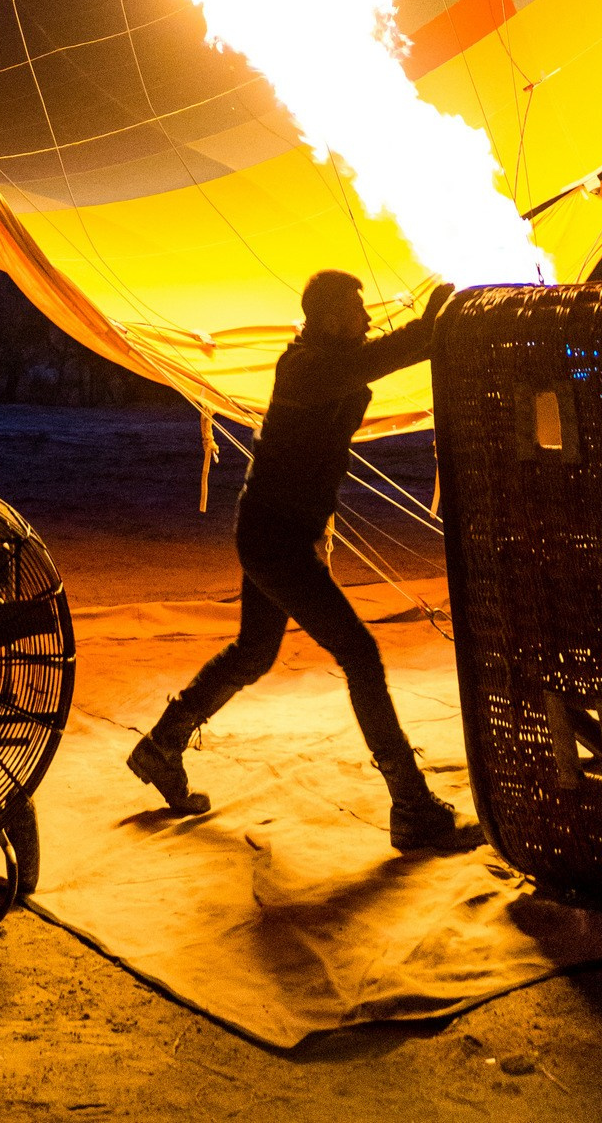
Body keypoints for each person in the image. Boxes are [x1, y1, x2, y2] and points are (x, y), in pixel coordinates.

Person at [126, 268, 478, 854]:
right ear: (327, 316)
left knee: (255, 653)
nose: (367, 318)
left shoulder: (333, 358)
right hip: (275, 539)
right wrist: (439, 312)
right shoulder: (307, 366)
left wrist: (436, 320)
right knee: (360, 652)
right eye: (356, 309)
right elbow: (393, 352)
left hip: (275, 530)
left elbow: (387, 353)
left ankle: (162, 747)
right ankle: (411, 806)